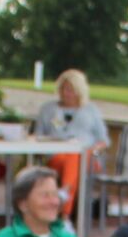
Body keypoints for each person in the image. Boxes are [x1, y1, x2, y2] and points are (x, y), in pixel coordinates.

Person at [35, 70, 109, 219]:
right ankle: (65, 214)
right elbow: (38, 135)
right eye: (63, 89)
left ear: (79, 91)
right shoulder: (48, 109)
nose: (66, 93)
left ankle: (64, 211)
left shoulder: (91, 110)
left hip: (87, 157)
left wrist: (93, 149)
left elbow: (103, 140)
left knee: (76, 156)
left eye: (71, 89)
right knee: (72, 158)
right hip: (57, 156)